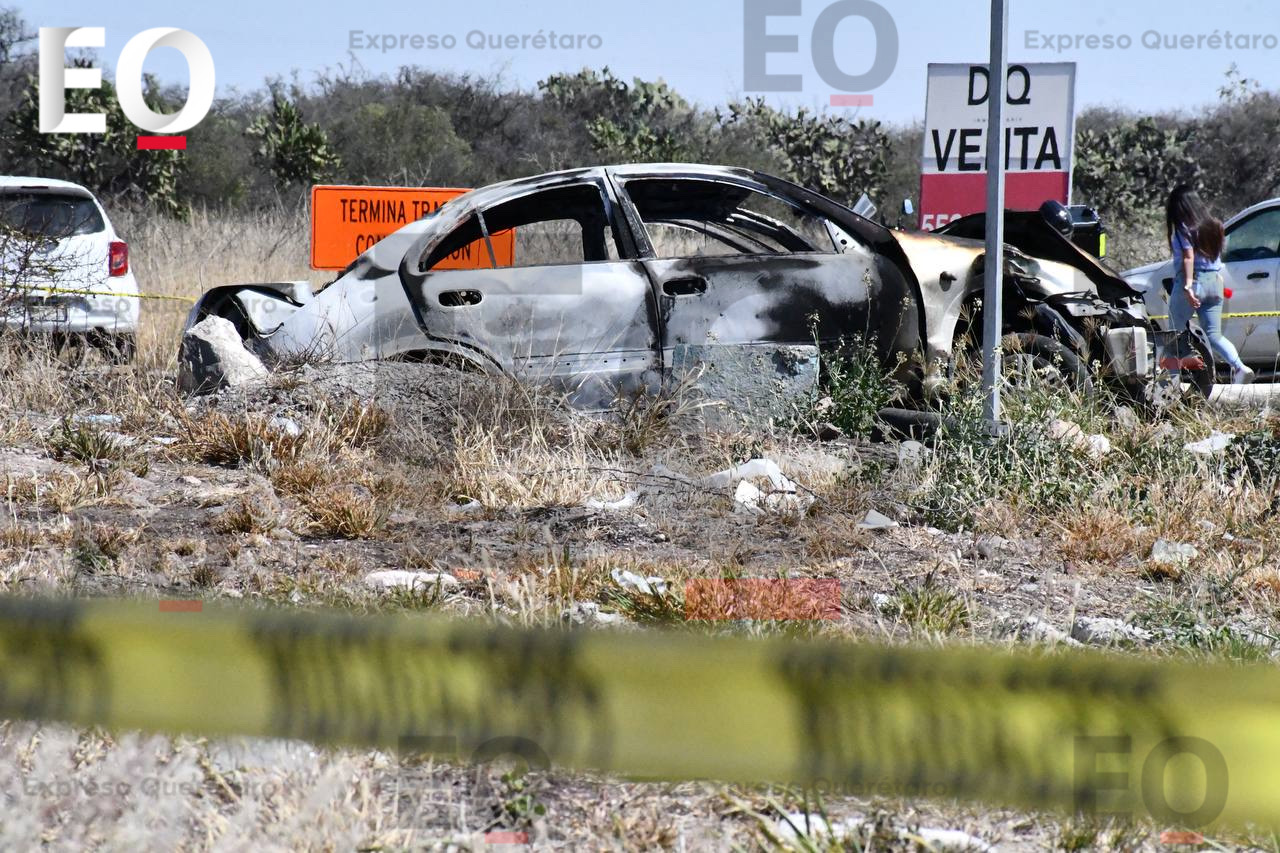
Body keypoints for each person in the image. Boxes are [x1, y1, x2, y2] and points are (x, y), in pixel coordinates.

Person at [1164, 185, 1254, 385]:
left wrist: (1187, 286)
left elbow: (1188, 257)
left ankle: (1171, 380)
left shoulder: (1183, 229)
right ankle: (1239, 367)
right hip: (1215, 282)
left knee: (1173, 334)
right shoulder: (1214, 226)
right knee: (1214, 335)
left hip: (1193, 280)